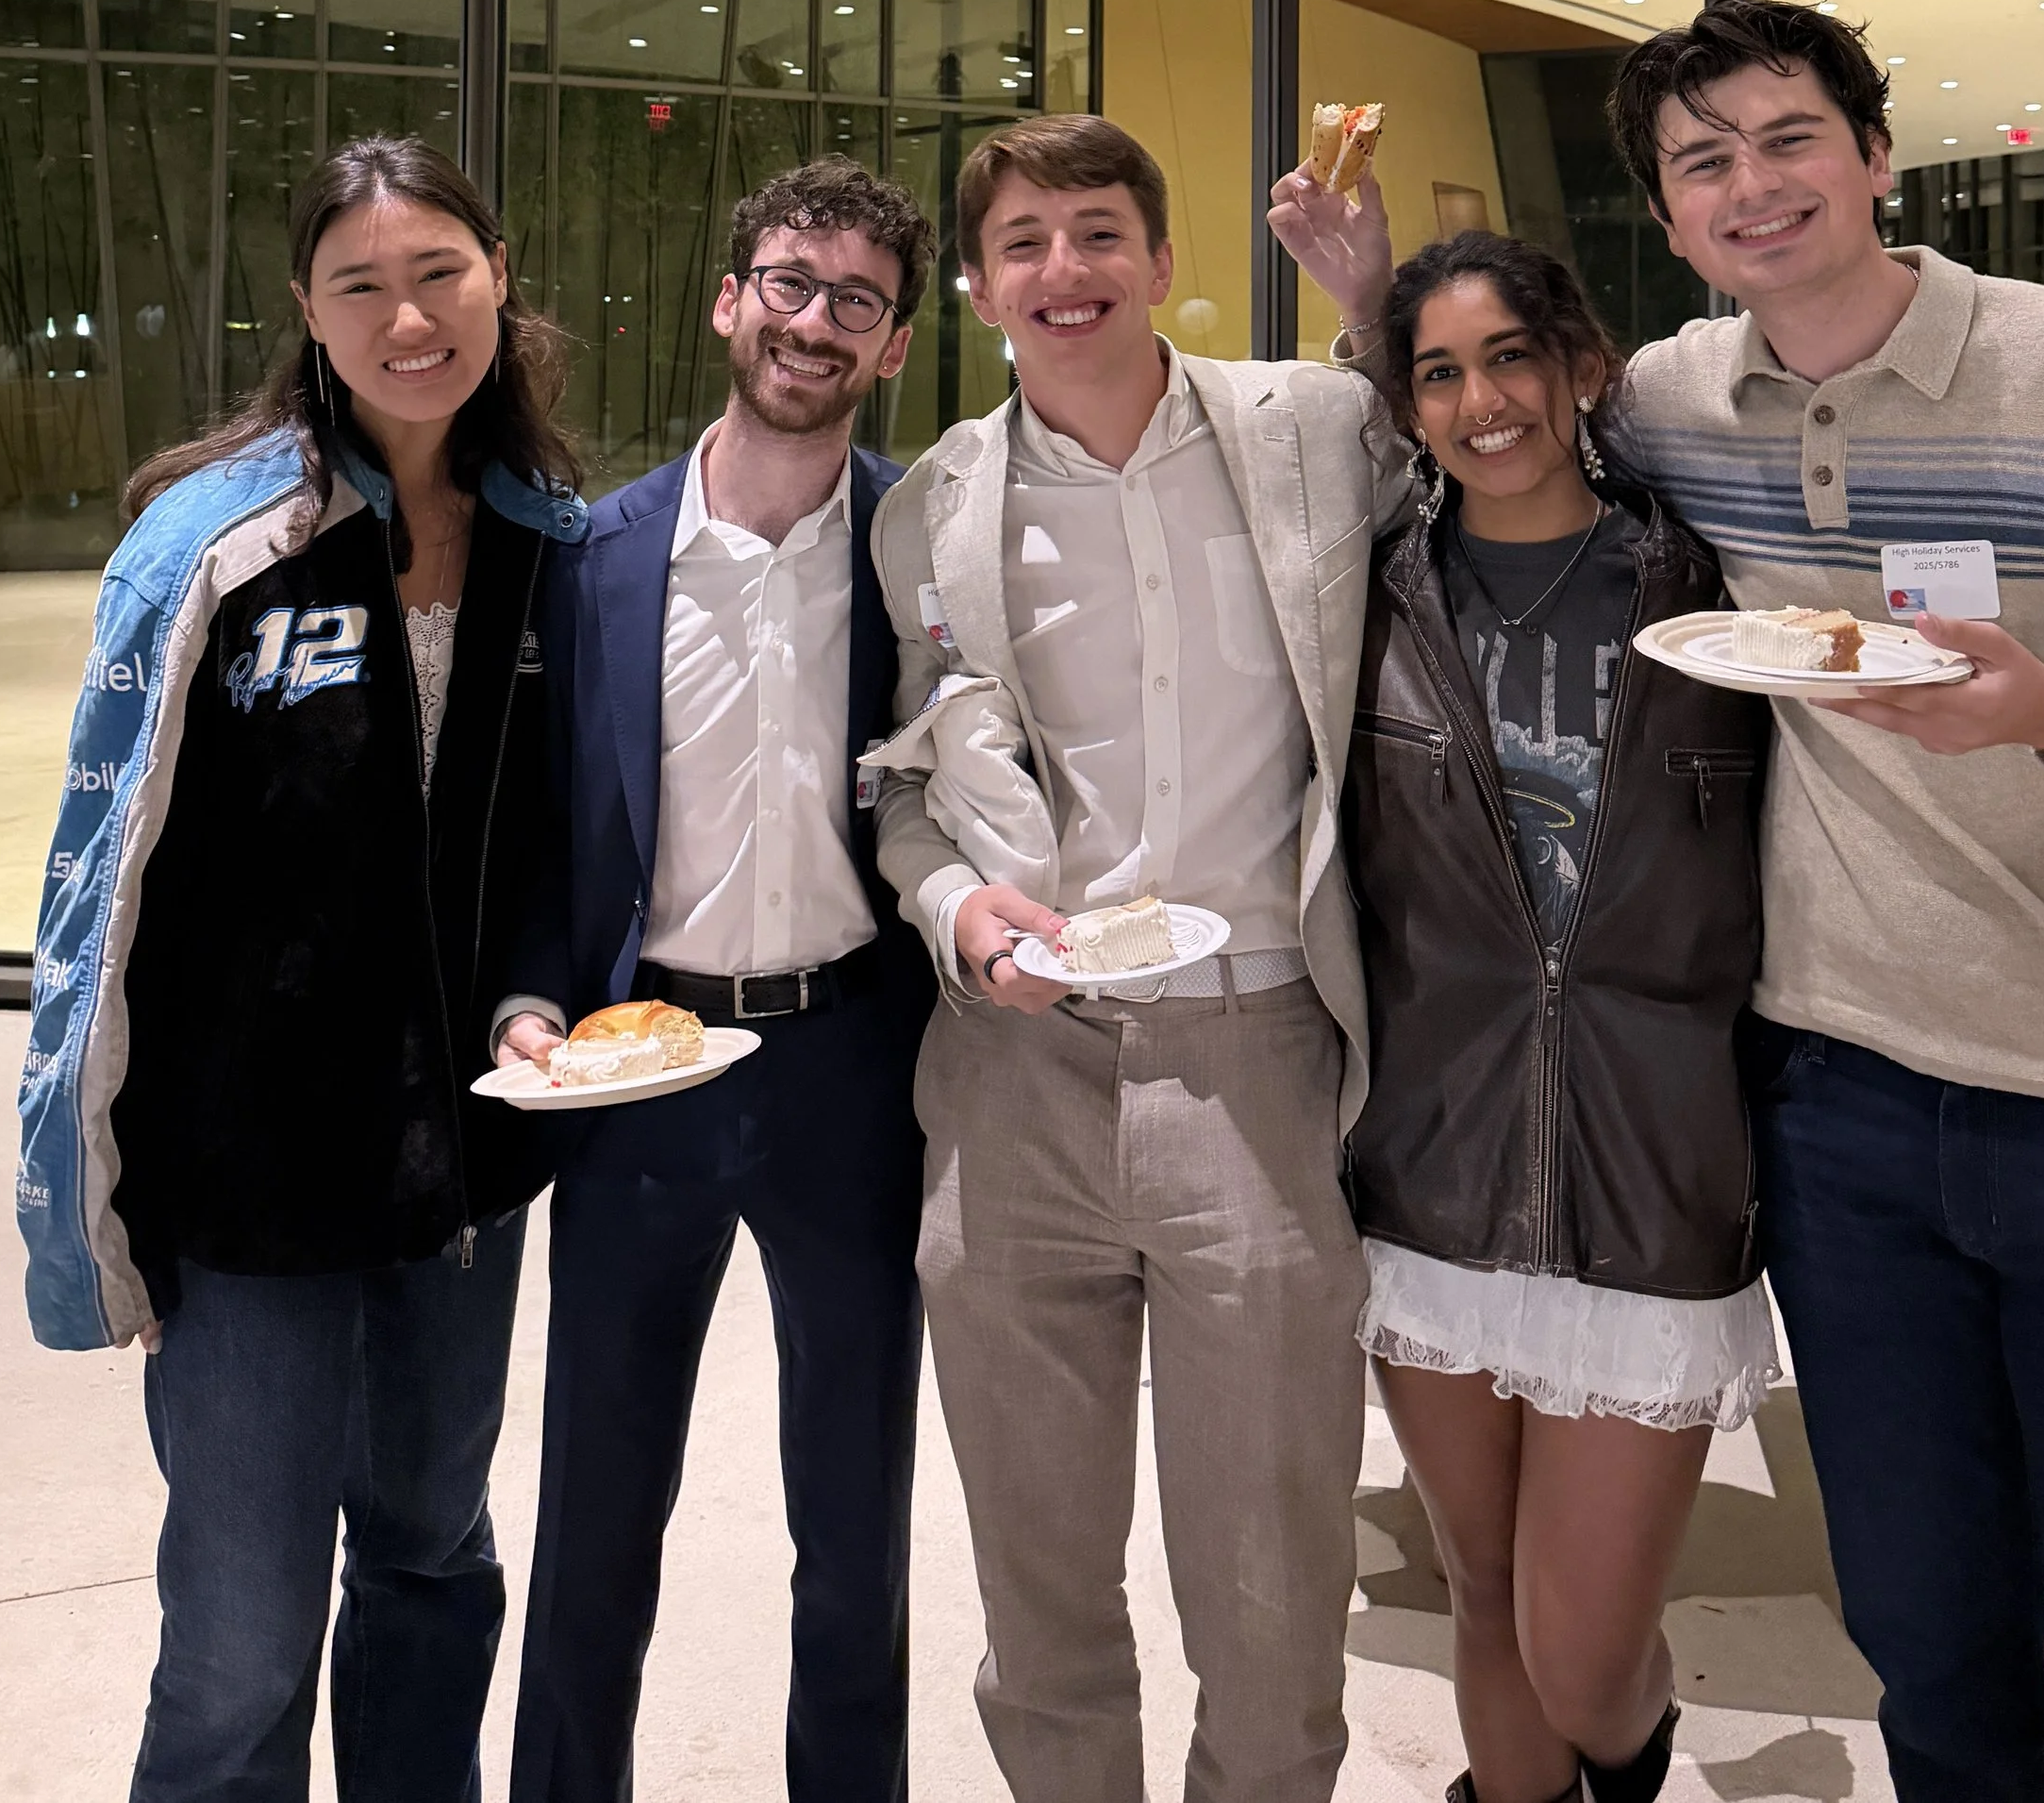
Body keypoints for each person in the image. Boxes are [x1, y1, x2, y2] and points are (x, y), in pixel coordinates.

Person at [1595, 0, 2044, 1803]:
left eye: (1786, 140)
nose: (1753, 188)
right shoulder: (1682, 402)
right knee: (1930, 1651)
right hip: (1840, 1111)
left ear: (1873, 159)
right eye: (1704, 165)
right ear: (1672, 220)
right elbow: (1481, 437)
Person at [15, 134, 587, 1803]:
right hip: (250, 1181)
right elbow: (100, 900)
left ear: (498, 279)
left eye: (440, 275)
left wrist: (533, 1002)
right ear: (308, 312)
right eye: (363, 286)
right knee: (246, 1632)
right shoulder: (215, 551)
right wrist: (92, 1195)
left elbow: (555, 845)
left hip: (463, 1170)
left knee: (427, 1558)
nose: (409, 318)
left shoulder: (551, 542)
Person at [870, 111, 1408, 1803]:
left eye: (1099, 232)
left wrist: (1372, 291)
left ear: (1164, 264)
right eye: (1023, 243)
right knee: (1037, 1580)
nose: (1064, 270)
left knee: (1271, 1576)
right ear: (977, 288)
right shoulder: (937, 508)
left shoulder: (1308, 429)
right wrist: (955, 910)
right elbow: (909, 789)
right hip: (1014, 1073)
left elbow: (1485, 444)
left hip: (1255, 1055)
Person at [501, 156, 938, 1803]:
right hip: (645, 1075)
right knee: (598, 1502)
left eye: (855, 300)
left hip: (852, 1073)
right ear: (728, 301)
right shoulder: (594, 558)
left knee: (854, 1515)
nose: (813, 320)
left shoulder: (918, 553)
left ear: (891, 344)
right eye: (788, 282)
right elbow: (543, 836)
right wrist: (528, 1000)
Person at [1333, 228, 1775, 1803]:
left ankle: (1629, 1757)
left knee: (1584, 1655)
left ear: (1583, 366)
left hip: (1653, 1171)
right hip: (1432, 1163)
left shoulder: (1706, 582)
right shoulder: (1370, 599)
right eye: (1439, 373)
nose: (1481, 400)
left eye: (1510, 355)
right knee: (1481, 1585)